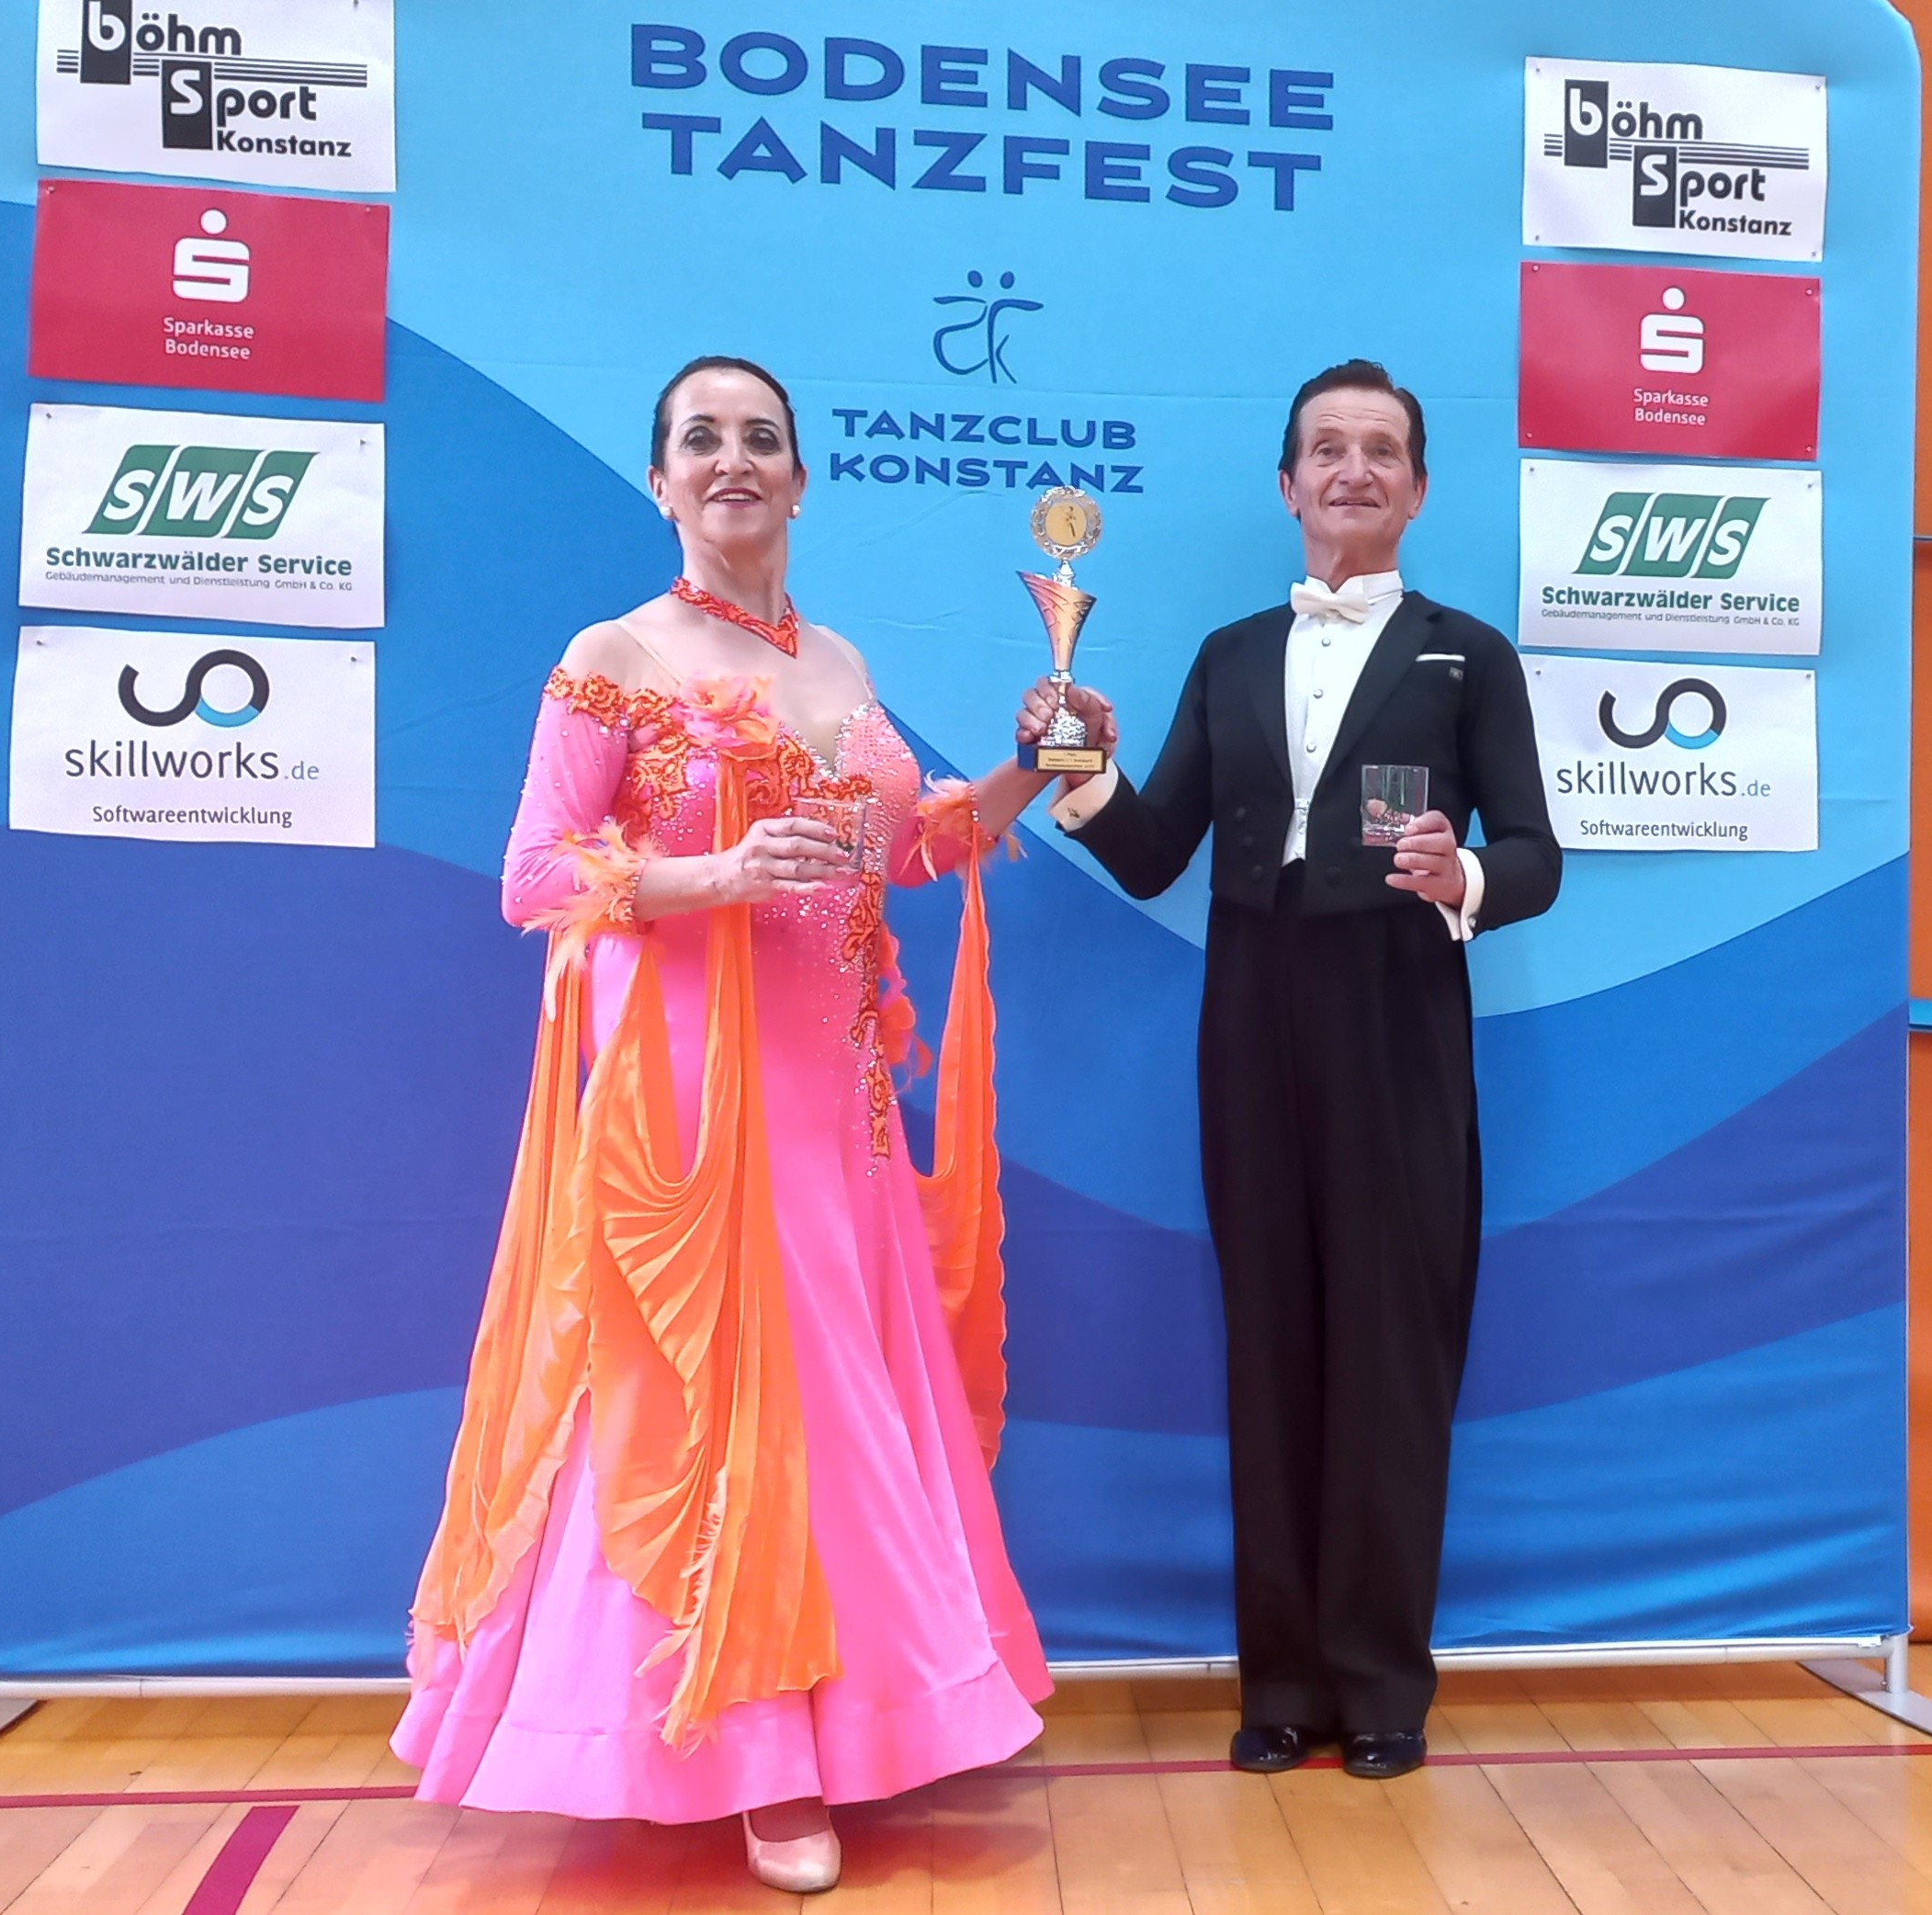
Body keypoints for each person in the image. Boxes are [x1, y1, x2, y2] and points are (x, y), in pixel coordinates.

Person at [397, 356, 1063, 1895]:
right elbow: (534, 876)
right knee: (714, 1409)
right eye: (701, 438)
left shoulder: (837, 660)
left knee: (836, 1413)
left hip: (840, 1111)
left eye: (762, 437)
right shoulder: (615, 655)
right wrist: (714, 876)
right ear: (662, 482)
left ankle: (856, 1725)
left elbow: (907, 847)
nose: (733, 459)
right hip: (690, 1111)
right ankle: (756, 1762)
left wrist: (1035, 762)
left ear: (801, 482)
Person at [1018, 359, 1560, 1781]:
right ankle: (1283, 1687)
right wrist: (1080, 767)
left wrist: (1464, 875)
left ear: (1418, 489)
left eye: (1382, 450)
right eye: (1328, 449)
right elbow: (1155, 855)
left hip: (1397, 1018)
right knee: (1271, 1346)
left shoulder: (1468, 656)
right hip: (1250, 1019)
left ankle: (1381, 1687)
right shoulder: (1229, 654)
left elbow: (1539, 857)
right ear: (1288, 484)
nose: (1353, 470)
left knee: (1389, 1350)